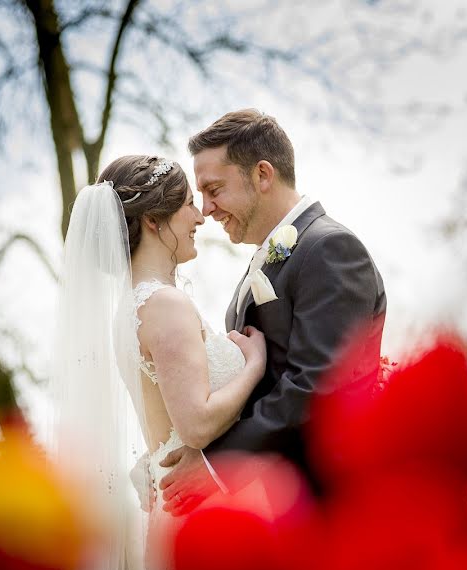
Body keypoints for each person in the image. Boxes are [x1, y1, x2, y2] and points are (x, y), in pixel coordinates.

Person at [51, 154, 267, 570]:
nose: (199, 217)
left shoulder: (133, 308)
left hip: (180, 503)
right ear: (153, 219)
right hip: (202, 515)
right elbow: (196, 423)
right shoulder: (163, 305)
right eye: (188, 203)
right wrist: (256, 364)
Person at [158, 109, 386, 511]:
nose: (207, 209)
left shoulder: (329, 249)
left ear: (263, 175)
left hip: (336, 502)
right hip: (285, 504)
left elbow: (318, 386)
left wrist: (217, 465)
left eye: (214, 189)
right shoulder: (264, 263)